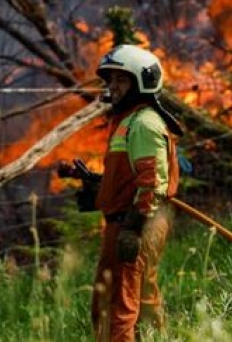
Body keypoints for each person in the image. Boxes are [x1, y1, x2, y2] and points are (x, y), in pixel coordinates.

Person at [73, 44, 182, 342]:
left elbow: (152, 183)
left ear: (141, 81)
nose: (113, 86)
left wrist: (132, 229)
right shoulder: (128, 121)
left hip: (135, 223)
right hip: (133, 220)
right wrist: (101, 185)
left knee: (115, 306)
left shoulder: (143, 123)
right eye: (110, 80)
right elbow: (132, 176)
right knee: (142, 300)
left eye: (121, 80)